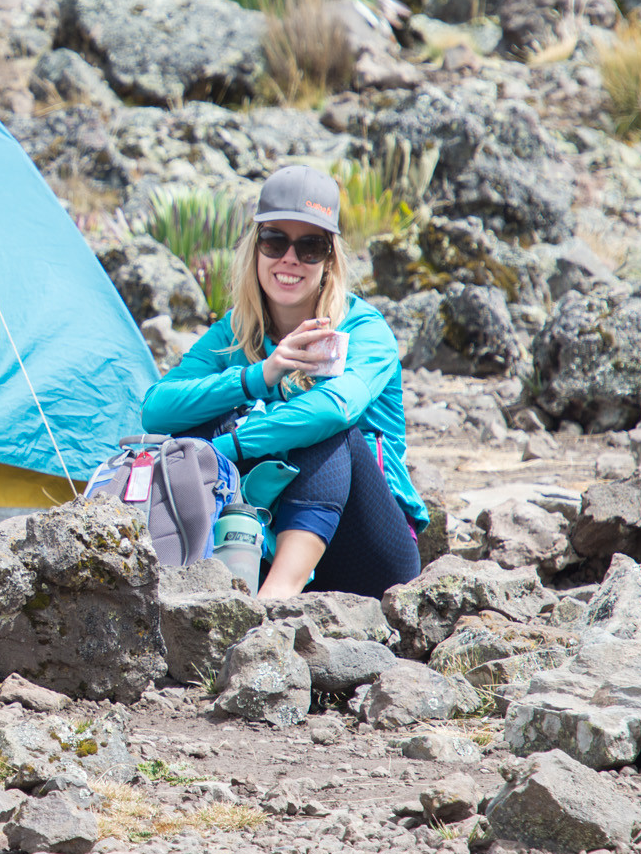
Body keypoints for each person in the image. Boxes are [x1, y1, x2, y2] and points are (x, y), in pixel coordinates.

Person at [139, 166, 427, 600]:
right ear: (255, 249)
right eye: (275, 241)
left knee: (327, 429)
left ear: (329, 260)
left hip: (367, 555)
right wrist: (258, 377)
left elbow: (335, 408)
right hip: (261, 534)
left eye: (310, 246)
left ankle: (275, 602)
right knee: (197, 418)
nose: (290, 259)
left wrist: (228, 448)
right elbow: (156, 409)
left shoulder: (365, 330)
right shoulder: (233, 333)